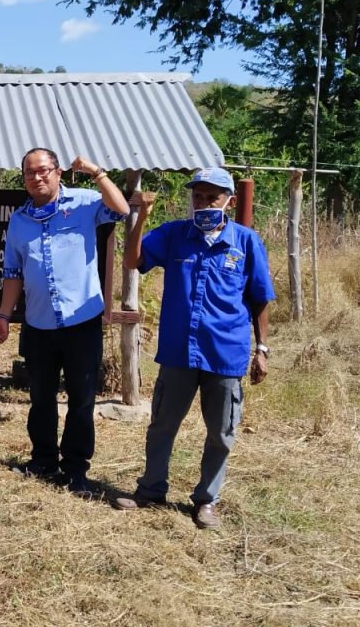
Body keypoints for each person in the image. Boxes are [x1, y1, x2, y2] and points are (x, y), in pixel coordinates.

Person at [114, 167, 274, 529]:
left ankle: (206, 500)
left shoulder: (246, 243)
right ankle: (151, 489)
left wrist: (261, 348)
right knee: (162, 425)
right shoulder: (174, 235)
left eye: (212, 198)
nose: (203, 204)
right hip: (178, 352)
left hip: (225, 352)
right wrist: (140, 220)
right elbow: (133, 262)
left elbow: (261, 299)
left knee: (220, 432)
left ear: (229, 202)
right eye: (198, 197)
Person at [0, 149, 129, 497]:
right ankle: (43, 461)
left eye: (43, 171)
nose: (37, 178)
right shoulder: (19, 219)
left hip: (81, 321)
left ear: (58, 172)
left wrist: (96, 172)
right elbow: (13, 272)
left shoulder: (83, 202)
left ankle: (77, 469)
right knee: (41, 398)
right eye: (29, 173)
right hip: (39, 324)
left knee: (81, 401)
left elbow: (122, 210)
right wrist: (4, 315)